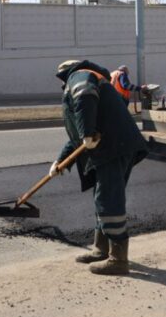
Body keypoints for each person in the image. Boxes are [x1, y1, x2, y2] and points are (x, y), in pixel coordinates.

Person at [51, 59, 149, 275]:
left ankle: (118, 259)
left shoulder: (80, 76)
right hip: (113, 146)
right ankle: (101, 248)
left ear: (65, 74)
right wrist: (61, 162)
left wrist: (87, 133)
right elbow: (77, 137)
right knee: (102, 196)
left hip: (114, 147)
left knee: (108, 198)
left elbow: (84, 100)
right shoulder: (90, 78)